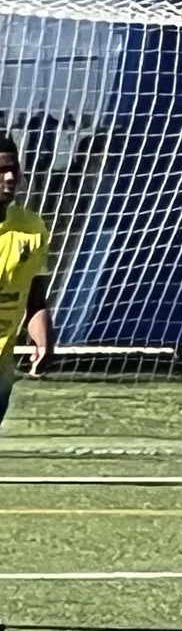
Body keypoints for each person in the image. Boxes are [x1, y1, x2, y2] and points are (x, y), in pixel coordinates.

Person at [0, 134, 52, 428]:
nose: (9, 178)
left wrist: (43, 340)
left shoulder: (31, 229)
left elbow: (35, 298)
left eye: (13, 170)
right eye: (0, 171)